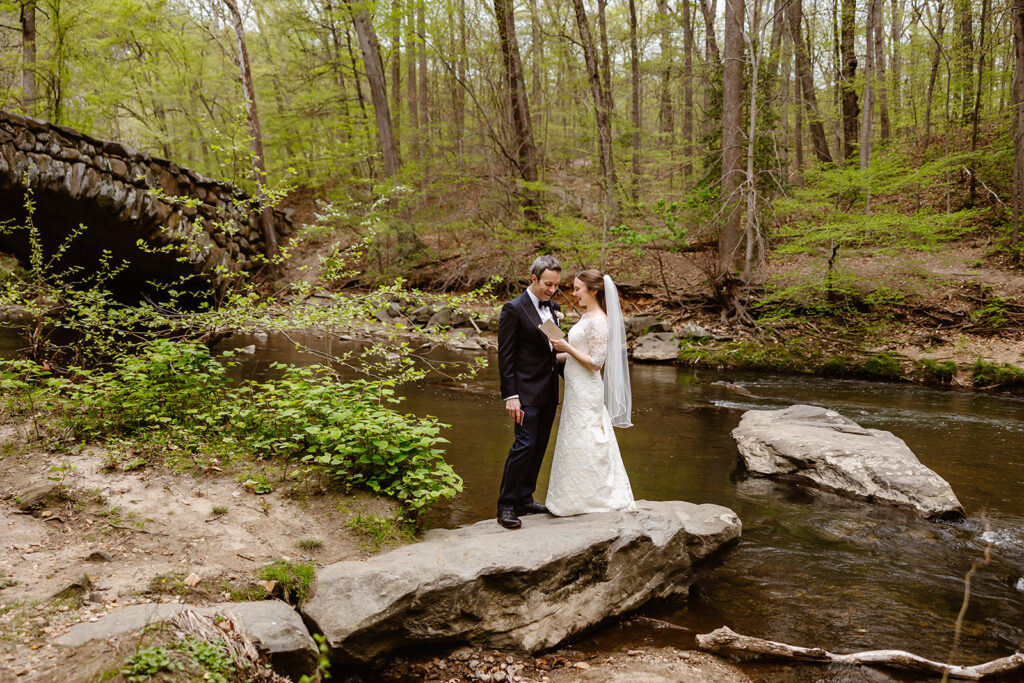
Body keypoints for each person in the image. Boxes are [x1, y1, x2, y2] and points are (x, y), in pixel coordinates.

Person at [546, 270, 636, 515]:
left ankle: (595, 498)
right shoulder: (587, 317)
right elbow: (576, 355)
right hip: (576, 388)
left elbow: (596, 362)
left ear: (593, 290)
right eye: (574, 289)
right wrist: (551, 354)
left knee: (589, 439)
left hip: (587, 390)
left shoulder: (599, 321)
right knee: (573, 439)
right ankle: (571, 498)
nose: (573, 294)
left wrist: (566, 348)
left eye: (577, 289)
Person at [495, 255, 564, 529]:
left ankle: (525, 497)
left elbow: (554, 351)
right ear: (534, 279)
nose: (552, 290)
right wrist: (510, 396)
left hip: (548, 391)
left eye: (556, 285)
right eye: (548, 284)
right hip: (524, 393)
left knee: (539, 445)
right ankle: (507, 505)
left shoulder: (554, 307)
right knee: (523, 445)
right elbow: (506, 357)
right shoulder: (513, 308)